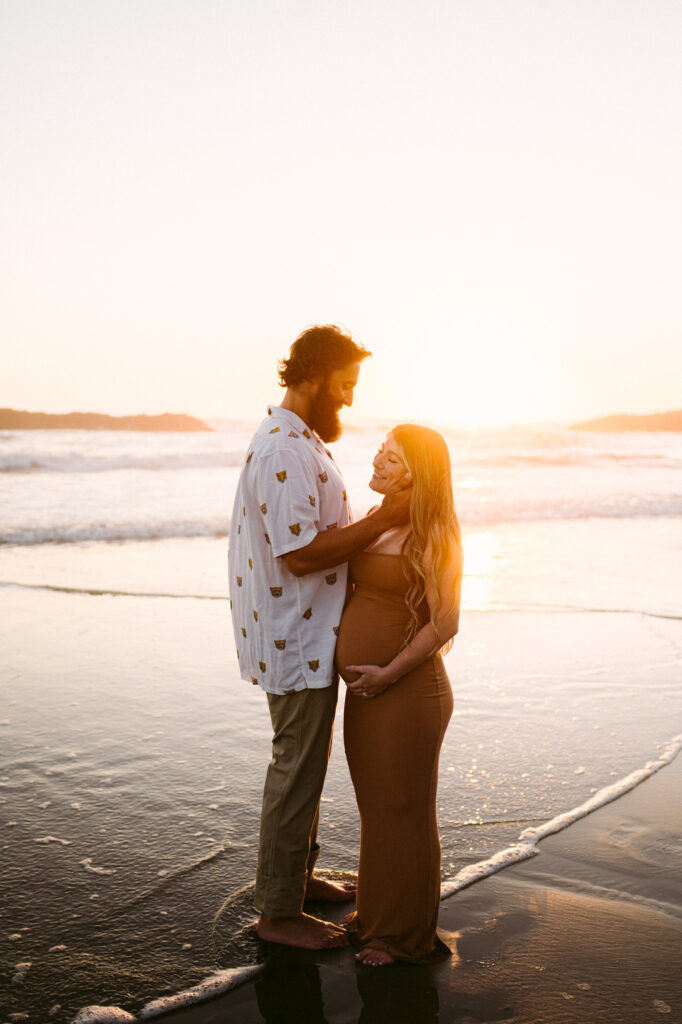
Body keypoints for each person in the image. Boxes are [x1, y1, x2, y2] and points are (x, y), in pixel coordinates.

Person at [228, 325, 411, 950]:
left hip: (303, 632)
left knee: (305, 762)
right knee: (296, 767)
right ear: (313, 376)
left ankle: (299, 880)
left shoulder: (299, 442)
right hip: (294, 635)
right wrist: (385, 519)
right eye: (346, 385)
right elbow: (301, 554)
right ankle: (277, 913)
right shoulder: (283, 450)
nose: (351, 400)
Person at [336, 424, 462, 965]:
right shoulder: (374, 518)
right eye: (380, 452)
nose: (378, 462)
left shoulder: (434, 532)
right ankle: (378, 916)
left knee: (406, 810)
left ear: (418, 474)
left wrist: (388, 673)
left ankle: (403, 938)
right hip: (370, 693)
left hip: (411, 692)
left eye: (392, 458)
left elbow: (447, 621)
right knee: (377, 809)